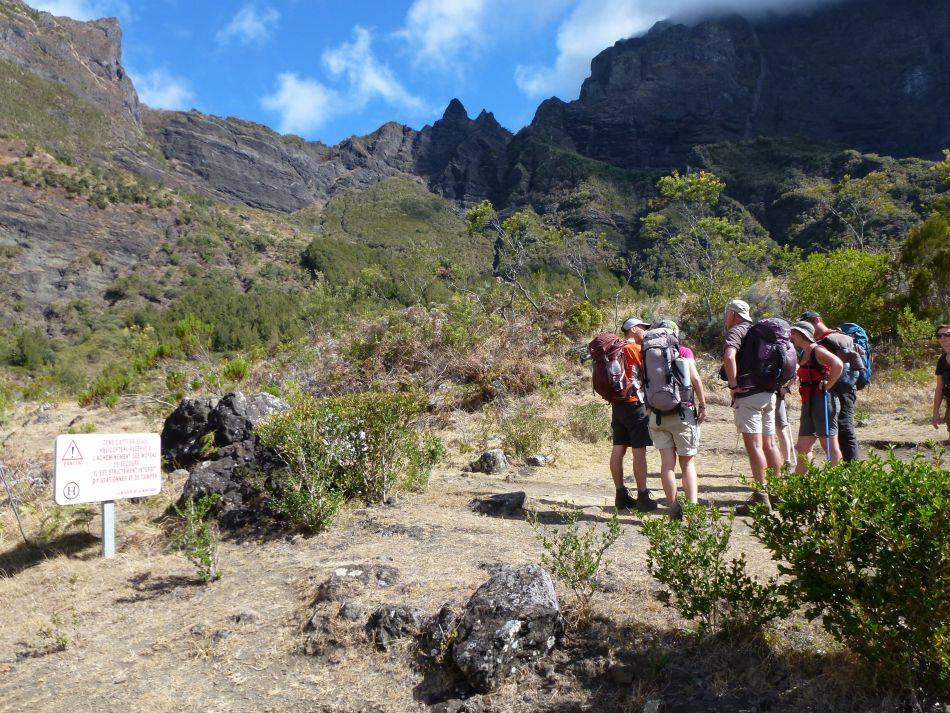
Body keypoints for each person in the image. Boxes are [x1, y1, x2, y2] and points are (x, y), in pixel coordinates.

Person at [721, 299, 785, 514]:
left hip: (749, 396)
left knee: (755, 446)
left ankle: (761, 495)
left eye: (726, 314)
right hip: (769, 393)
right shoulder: (759, 331)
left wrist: (733, 385)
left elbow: (729, 356)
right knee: (770, 444)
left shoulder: (737, 331)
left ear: (732, 314)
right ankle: (778, 492)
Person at [648, 320, 707, 520]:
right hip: (682, 414)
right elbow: (696, 379)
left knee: (667, 465)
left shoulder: (647, 352)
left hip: (657, 416)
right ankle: (691, 508)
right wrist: (703, 405)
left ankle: (673, 507)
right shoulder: (683, 351)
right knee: (687, 463)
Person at [610, 316, 658, 513]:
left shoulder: (616, 349)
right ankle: (643, 496)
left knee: (618, 449)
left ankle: (620, 495)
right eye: (642, 328)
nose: (645, 331)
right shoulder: (634, 349)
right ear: (633, 329)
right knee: (639, 450)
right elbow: (647, 374)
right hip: (635, 403)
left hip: (618, 404)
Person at [799, 310, 860, 461]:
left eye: (808, 323)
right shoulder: (834, 339)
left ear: (817, 320)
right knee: (840, 430)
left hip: (837, 388)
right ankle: (845, 471)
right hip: (841, 387)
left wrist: (829, 384)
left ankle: (851, 471)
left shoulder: (827, 341)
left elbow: (838, 365)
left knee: (844, 428)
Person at [789, 321, 844, 471]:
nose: (791, 336)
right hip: (809, 401)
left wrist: (828, 384)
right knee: (803, 446)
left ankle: (839, 483)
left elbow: (838, 364)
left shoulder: (817, 350)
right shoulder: (804, 352)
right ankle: (798, 485)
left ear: (802, 334)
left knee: (829, 445)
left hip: (823, 400)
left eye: (794, 333)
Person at [932, 324, 950, 440]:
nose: (942, 338)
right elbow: (939, 388)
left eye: (947, 334)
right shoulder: (941, 360)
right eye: (939, 335)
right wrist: (935, 412)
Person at [775, 387, 795, 468]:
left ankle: (787, 462)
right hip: (758, 396)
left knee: (781, 430)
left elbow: (794, 375)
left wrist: (787, 388)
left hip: (777, 397)